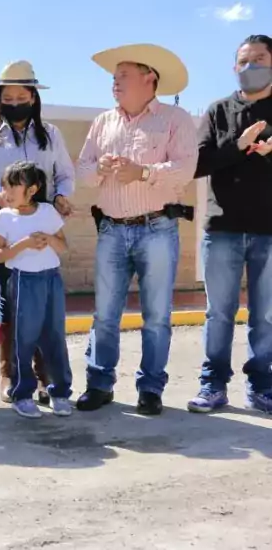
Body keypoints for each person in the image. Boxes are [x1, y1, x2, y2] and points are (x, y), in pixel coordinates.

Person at [76, 43, 198, 416]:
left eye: (123, 76)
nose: (115, 83)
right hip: (112, 230)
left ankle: (150, 388)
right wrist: (102, 169)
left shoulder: (176, 119)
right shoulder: (102, 122)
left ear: (150, 79)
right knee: (104, 314)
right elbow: (82, 172)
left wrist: (141, 172)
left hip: (157, 228)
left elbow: (185, 169)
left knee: (157, 315)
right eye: (114, 78)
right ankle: (99, 384)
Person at [0, 60, 75, 405]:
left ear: (33, 97)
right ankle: (9, 372)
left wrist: (61, 197)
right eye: (7, 98)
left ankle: (44, 377)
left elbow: (66, 175)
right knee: (11, 300)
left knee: (42, 299)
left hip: (42, 219)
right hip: (8, 223)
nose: (15, 103)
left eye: (21, 95)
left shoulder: (51, 134)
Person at [188, 34, 272, 414]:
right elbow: (198, 164)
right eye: (243, 60)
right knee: (218, 312)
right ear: (234, 67)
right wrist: (238, 146)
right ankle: (213, 384)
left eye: (259, 59)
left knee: (266, 315)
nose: (250, 67)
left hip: (269, 230)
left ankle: (262, 386)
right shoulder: (218, 110)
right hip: (222, 229)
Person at [0, 161, 73, 419]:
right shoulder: (3, 217)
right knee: (22, 339)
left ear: (33, 189)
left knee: (55, 336)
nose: (7, 191)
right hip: (24, 281)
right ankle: (22, 393)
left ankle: (59, 392)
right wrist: (24, 244)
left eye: (14, 185)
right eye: (4, 185)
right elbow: (0, 256)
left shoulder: (47, 212)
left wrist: (49, 239)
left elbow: (63, 247)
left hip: (51, 280)